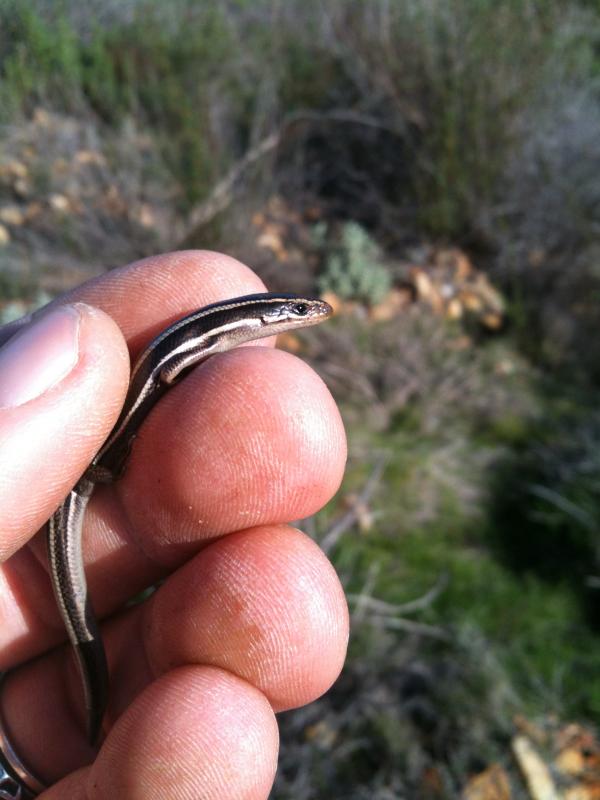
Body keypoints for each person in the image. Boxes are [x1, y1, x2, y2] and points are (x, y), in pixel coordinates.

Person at [0, 251, 348, 798]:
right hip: (88, 465)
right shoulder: (223, 327)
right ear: (269, 316)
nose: (309, 316)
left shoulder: (229, 328)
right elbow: (168, 367)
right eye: (299, 311)